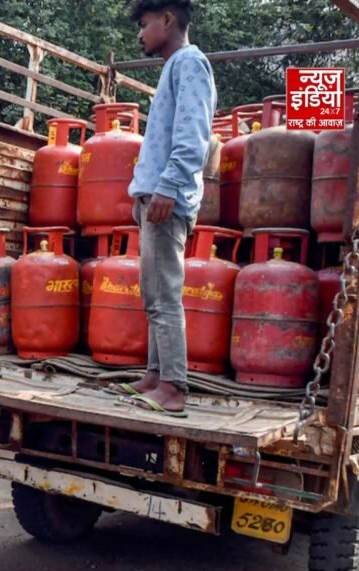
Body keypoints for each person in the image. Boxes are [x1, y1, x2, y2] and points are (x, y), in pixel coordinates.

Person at [120, 0, 216, 417]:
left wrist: (167, 187)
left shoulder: (190, 63)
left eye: (144, 25)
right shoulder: (174, 66)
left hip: (167, 195)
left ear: (167, 20)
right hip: (156, 194)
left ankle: (174, 387)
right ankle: (156, 374)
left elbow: (193, 135)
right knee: (153, 292)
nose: (140, 34)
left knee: (164, 295)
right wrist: (142, 193)